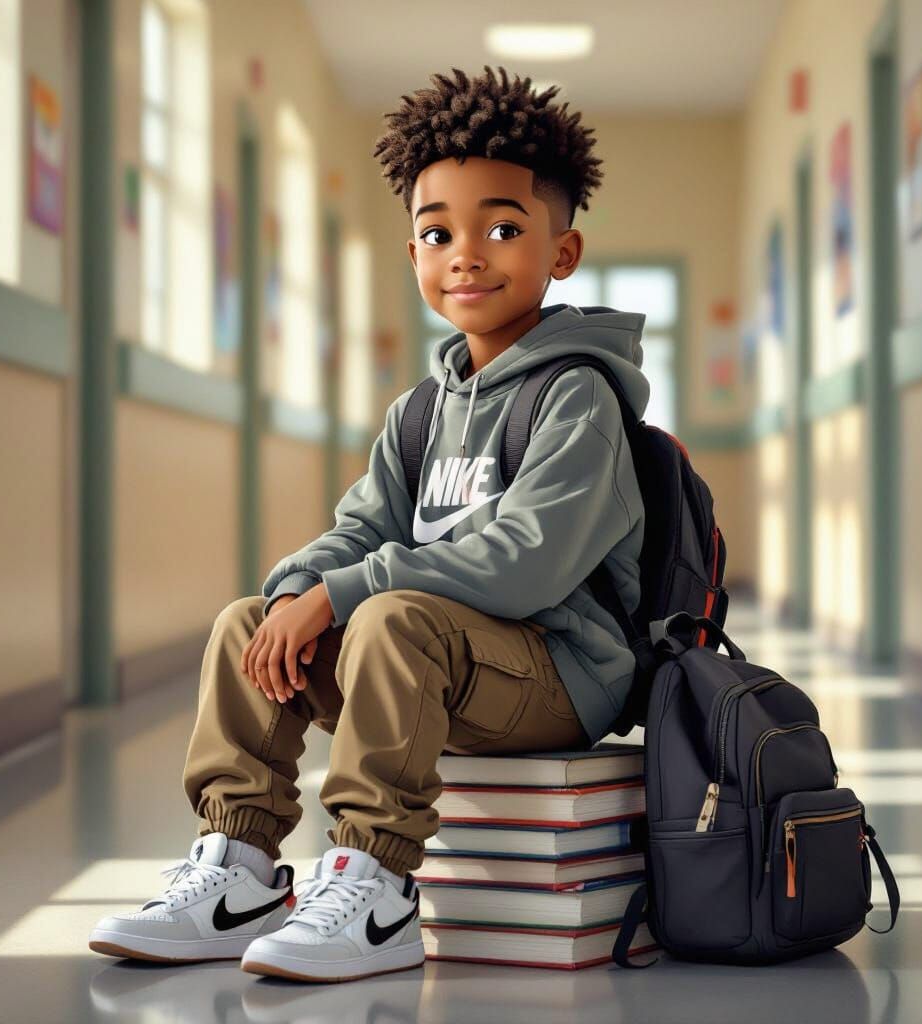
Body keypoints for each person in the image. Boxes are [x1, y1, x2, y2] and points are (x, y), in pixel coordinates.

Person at [89, 64, 649, 983]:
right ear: (415, 254)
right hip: (444, 666)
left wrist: (347, 594)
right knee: (247, 622)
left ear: (562, 252)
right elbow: (362, 528)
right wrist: (295, 592)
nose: (467, 253)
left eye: (503, 228)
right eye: (438, 233)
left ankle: (376, 885)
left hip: (556, 674)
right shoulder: (422, 412)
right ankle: (239, 873)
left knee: (388, 617)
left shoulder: (577, 396)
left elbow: (526, 563)